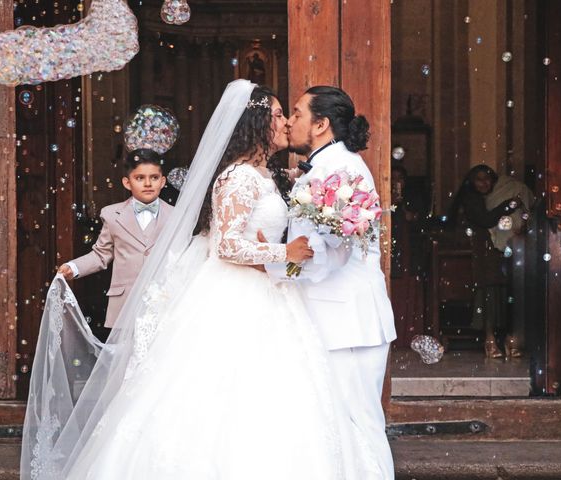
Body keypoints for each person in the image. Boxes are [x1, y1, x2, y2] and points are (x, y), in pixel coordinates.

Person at [22, 80, 379, 479]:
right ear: (257, 121)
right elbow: (225, 246)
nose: (285, 122)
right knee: (217, 395)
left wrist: (279, 256)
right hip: (233, 298)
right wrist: (283, 253)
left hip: (271, 294)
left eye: (290, 114)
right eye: (279, 114)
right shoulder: (238, 177)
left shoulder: (270, 175)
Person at [266, 85, 397, 479]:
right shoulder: (325, 167)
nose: (290, 121)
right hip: (333, 319)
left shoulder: (340, 172)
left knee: (360, 428)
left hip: (347, 323)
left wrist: (269, 266)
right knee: (338, 429)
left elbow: (328, 256)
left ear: (321, 124)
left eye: (298, 113)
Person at [56, 148, 173, 327]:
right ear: (127, 182)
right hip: (124, 304)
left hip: (164, 302)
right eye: (140, 178)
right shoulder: (112, 215)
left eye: (154, 177)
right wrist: (74, 267)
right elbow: (100, 255)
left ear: (163, 181)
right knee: (125, 355)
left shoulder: (177, 216)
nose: (148, 183)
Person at [449, 164, 523, 358]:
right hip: (480, 252)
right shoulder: (470, 198)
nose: (484, 183)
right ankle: (490, 340)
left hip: (493, 250)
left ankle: (506, 339)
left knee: (502, 291)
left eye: (488, 178)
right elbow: (486, 219)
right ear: (471, 182)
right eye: (479, 179)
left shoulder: (489, 198)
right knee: (488, 291)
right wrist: (510, 204)